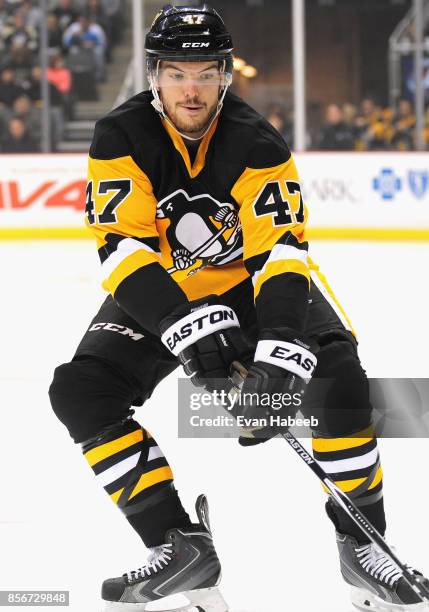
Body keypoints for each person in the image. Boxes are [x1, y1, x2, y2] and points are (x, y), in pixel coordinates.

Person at [48, 5, 429, 612]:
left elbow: (280, 254)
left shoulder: (256, 142)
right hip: (164, 288)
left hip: (252, 287)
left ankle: (364, 546)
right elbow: (122, 250)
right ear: (154, 76)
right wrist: (188, 328)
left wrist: (278, 352)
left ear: (225, 74)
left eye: (204, 72)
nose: (191, 88)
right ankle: (181, 548)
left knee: (338, 379)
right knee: (81, 390)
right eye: (176, 73)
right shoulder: (119, 135)